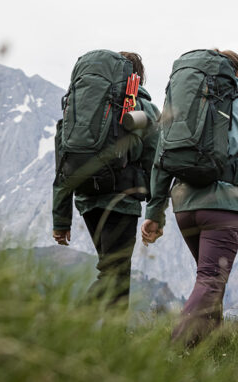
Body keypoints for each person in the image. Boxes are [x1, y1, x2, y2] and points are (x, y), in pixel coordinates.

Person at [141, 49, 238, 345]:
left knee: (210, 282)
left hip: (183, 207)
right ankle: (172, 353)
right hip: (221, 207)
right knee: (210, 280)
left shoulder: (182, 108)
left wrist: (155, 213)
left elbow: (161, 159)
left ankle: (212, 352)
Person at [52, 51, 160, 310]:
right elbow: (154, 160)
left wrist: (61, 219)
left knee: (114, 272)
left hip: (87, 198)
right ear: (137, 77)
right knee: (114, 273)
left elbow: (62, 165)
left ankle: (111, 345)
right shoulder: (142, 108)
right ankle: (70, 327)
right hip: (122, 198)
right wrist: (155, 210)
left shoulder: (76, 114)